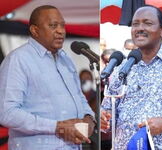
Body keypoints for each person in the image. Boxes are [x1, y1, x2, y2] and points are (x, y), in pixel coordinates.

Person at [101, 5, 162, 150]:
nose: (140, 28)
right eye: (135, 24)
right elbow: (108, 112)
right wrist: (104, 119)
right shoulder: (121, 69)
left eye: (147, 23)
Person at [0, 5, 95, 150]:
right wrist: (56, 127)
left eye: (62, 25)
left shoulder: (66, 60)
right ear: (34, 30)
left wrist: (89, 118)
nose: (61, 31)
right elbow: (7, 113)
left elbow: (79, 97)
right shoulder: (18, 60)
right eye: (53, 25)